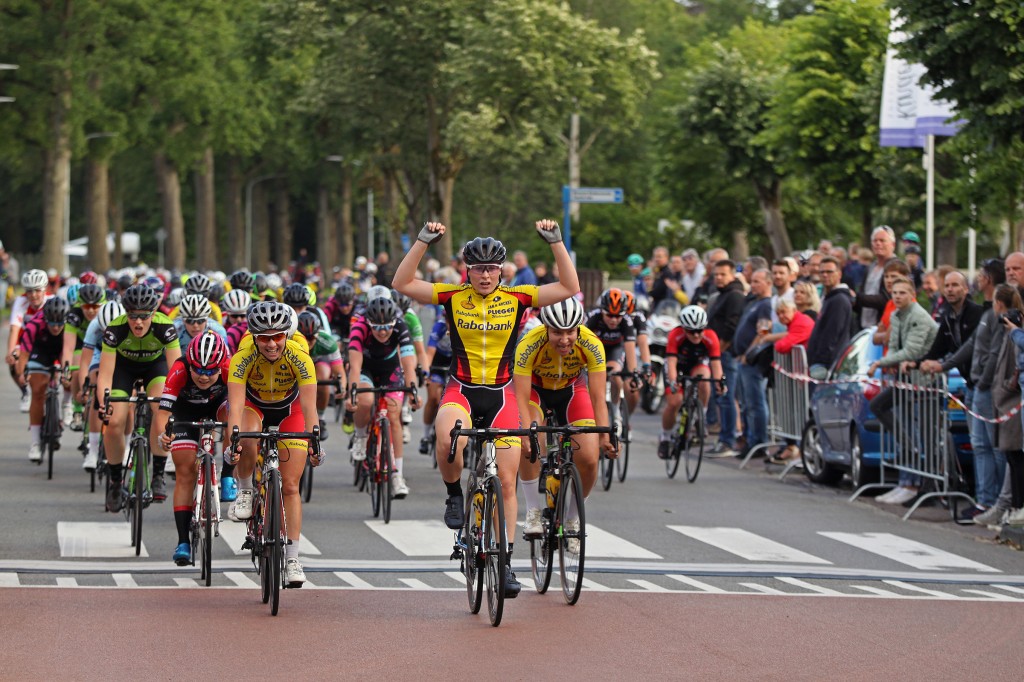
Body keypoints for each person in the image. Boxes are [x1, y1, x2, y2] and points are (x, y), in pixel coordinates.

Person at [392, 219, 579, 598]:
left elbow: (569, 287)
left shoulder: (518, 298)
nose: (485, 274)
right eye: (478, 267)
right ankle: (453, 495)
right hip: (461, 389)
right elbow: (402, 284)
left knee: (507, 481)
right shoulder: (452, 295)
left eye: (492, 267)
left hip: (502, 393)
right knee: (449, 440)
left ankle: (505, 563)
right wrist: (423, 242)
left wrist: (556, 242)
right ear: (468, 269)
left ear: (502, 269)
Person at [225, 301, 320, 587]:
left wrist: (314, 441)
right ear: (253, 337)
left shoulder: (300, 356)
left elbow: (310, 407)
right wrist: (233, 443)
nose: (271, 344)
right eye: (264, 338)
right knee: (246, 436)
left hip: (291, 410)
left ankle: (292, 558)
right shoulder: (242, 357)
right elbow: (236, 407)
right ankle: (245, 490)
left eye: (277, 336)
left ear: (287, 335)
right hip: (255, 407)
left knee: (290, 485)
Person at [514, 297, 615, 542]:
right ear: (546, 328)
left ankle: (572, 518)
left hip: (572, 390)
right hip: (536, 392)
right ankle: (532, 511)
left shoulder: (591, 343)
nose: (565, 339)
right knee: (531, 439)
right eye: (557, 332)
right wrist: (526, 431)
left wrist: (604, 436)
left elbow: (598, 396)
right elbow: (520, 395)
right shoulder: (529, 343)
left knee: (590, 458)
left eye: (570, 331)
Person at [96, 285, 181, 511]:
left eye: (144, 316)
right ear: (126, 314)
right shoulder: (115, 330)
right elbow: (105, 374)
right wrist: (104, 404)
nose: (139, 322)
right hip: (123, 370)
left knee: (161, 410)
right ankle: (115, 481)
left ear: (153, 313)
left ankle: (158, 475)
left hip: (155, 368)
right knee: (114, 422)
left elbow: (176, 370)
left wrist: (176, 401)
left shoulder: (165, 327)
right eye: (133, 315)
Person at [153, 332, 230, 566]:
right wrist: (163, 434)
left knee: (234, 420)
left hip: (218, 407)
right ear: (190, 364)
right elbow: (163, 412)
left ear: (221, 366)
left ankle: (227, 477)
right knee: (184, 471)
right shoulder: (179, 369)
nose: (204, 377)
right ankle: (183, 541)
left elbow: (240, 406)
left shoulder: (229, 366)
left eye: (210, 372)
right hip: (184, 412)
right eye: (198, 370)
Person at [868, 276, 939, 506]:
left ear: (912, 295)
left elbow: (911, 351)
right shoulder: (896, 316)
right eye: (894, 292)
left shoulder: (919, 316)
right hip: (904, 380)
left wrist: (880, 363)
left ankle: (924, 486)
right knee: (880, 406)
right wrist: (889, 362)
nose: (897, 296)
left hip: (924, 382)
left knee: (926, 434)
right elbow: (896, 347)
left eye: (902, 293)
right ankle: (907, 468)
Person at [345, 296, 419, 497]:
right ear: (369, 322)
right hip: (365, 369)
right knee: (366, 399)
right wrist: (352, 392)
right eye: (377, 327)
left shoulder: (401, 326)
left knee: (394, 416)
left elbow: (408, 362)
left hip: (390, 369)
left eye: (387, 326)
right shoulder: (359, 327)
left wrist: (412, 391)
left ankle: (397, 476)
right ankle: (360, 436)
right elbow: (355, 365)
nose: (383, 331)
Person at [659, 305, 725, 459]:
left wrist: (720, 382)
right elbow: (672, 362)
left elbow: (716, 364)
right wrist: (674, 381)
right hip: (677, 366)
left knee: (704, 378)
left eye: (700, 330)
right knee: (674, 402)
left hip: (696, 365)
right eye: (691, 331)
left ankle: (699, 416)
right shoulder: (675, 335)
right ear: (683, 328)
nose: (696, 335)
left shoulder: (711, 336)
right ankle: (666, 437)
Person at [16, 297, 71, 462]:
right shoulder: (34, 325)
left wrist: (67, 374)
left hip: (63, 348)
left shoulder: (69, 326)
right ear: (45, 319)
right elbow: (24, 355)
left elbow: (70, 352)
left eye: (59, 323)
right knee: (38, 390)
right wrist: (21, 374)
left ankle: (66, 405)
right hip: (41, 351)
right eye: (52, 323)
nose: (56, 327)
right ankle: (35, 442)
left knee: (70, 376)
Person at [78, 300, 125, 471]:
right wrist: (85, 385)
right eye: (105, 330)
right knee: (97, 383)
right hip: (100, 352)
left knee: (131, 395)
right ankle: (92, 450)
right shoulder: (94, 326)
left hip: (122, 353)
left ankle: (125, 447)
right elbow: (85, 360)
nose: (109, 333)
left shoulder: (127, 325)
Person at [705, 260, 746, 457]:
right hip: (717, 353)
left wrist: (718, 351)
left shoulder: (735, 296)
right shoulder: (722, 294)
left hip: (725, 354)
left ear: (732, 275)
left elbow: (731, 326)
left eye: (723, 274)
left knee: (726, 396)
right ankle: (724, 437)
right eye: (716, 275)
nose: (719, 278)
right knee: (721, 397)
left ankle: (728, 440)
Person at [584, 288, 639, 434]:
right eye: (609, 315)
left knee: (616, 374)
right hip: (596, 350)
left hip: (615, 350)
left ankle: (616, 412)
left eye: (618, 316)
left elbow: (630, 349)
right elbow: (580, 342)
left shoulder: (627, 322)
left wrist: (634, 372)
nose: (614, 320)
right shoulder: (593, 317)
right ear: (602, 310)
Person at [731, 269, 773, 456]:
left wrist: (749, 354)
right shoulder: (753, 302)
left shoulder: (765, 305)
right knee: (746, 403)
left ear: (768, 283)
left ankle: (758, 441)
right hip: (743, 359)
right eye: (753, 281)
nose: (753, 284)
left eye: (757, 281)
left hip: (753, 362)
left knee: (755, 402)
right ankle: (749, 438)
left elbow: (763, 331)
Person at [61, 283, 106, 431]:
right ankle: (78, 408)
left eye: (95, 306)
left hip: (103, 346)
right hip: (82, 345)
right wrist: (65, 369)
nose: (91, 310)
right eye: (86, 307)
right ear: (80, 305)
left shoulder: (107, 312)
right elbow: (68, 347)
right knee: (76, 366)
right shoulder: (74, 315)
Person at [7, 269, 51, 412]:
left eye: (37, 290)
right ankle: (26, 391)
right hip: (26, 340)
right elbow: (14, 329)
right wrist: (10, 352)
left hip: (45, 340)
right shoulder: (21, 301)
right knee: (14, 359)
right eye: (29, 291)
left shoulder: (51, 302)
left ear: (44, 289)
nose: (33, 295)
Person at [297, 311, 344, 440]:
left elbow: (339, 370)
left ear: (318, 335)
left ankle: (321, 418)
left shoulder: (327, 341)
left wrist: (342, 387)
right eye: (304, 337)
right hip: (296, 363)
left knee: (323, 379)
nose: (307, 341)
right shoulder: (290, 340)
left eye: (311, 337)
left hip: (318, 362)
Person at [806, 256, 854, 379]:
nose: (825, 275)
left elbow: (832, 334)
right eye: (822, 272)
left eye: (829, 272)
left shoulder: (839, 300)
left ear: (839, 274)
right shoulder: (830, 298)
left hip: (828, 365)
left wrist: (821, 362)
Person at [855, 225, 898, 330]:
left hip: (885, 328)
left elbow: (887, 298)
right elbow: (862, 294)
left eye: (882, 240)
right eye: (875, 241)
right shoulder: (870, 267)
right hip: (864, 327)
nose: (878, 244)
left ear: (893, 244)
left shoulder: (896, 266)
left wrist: (858, 298)